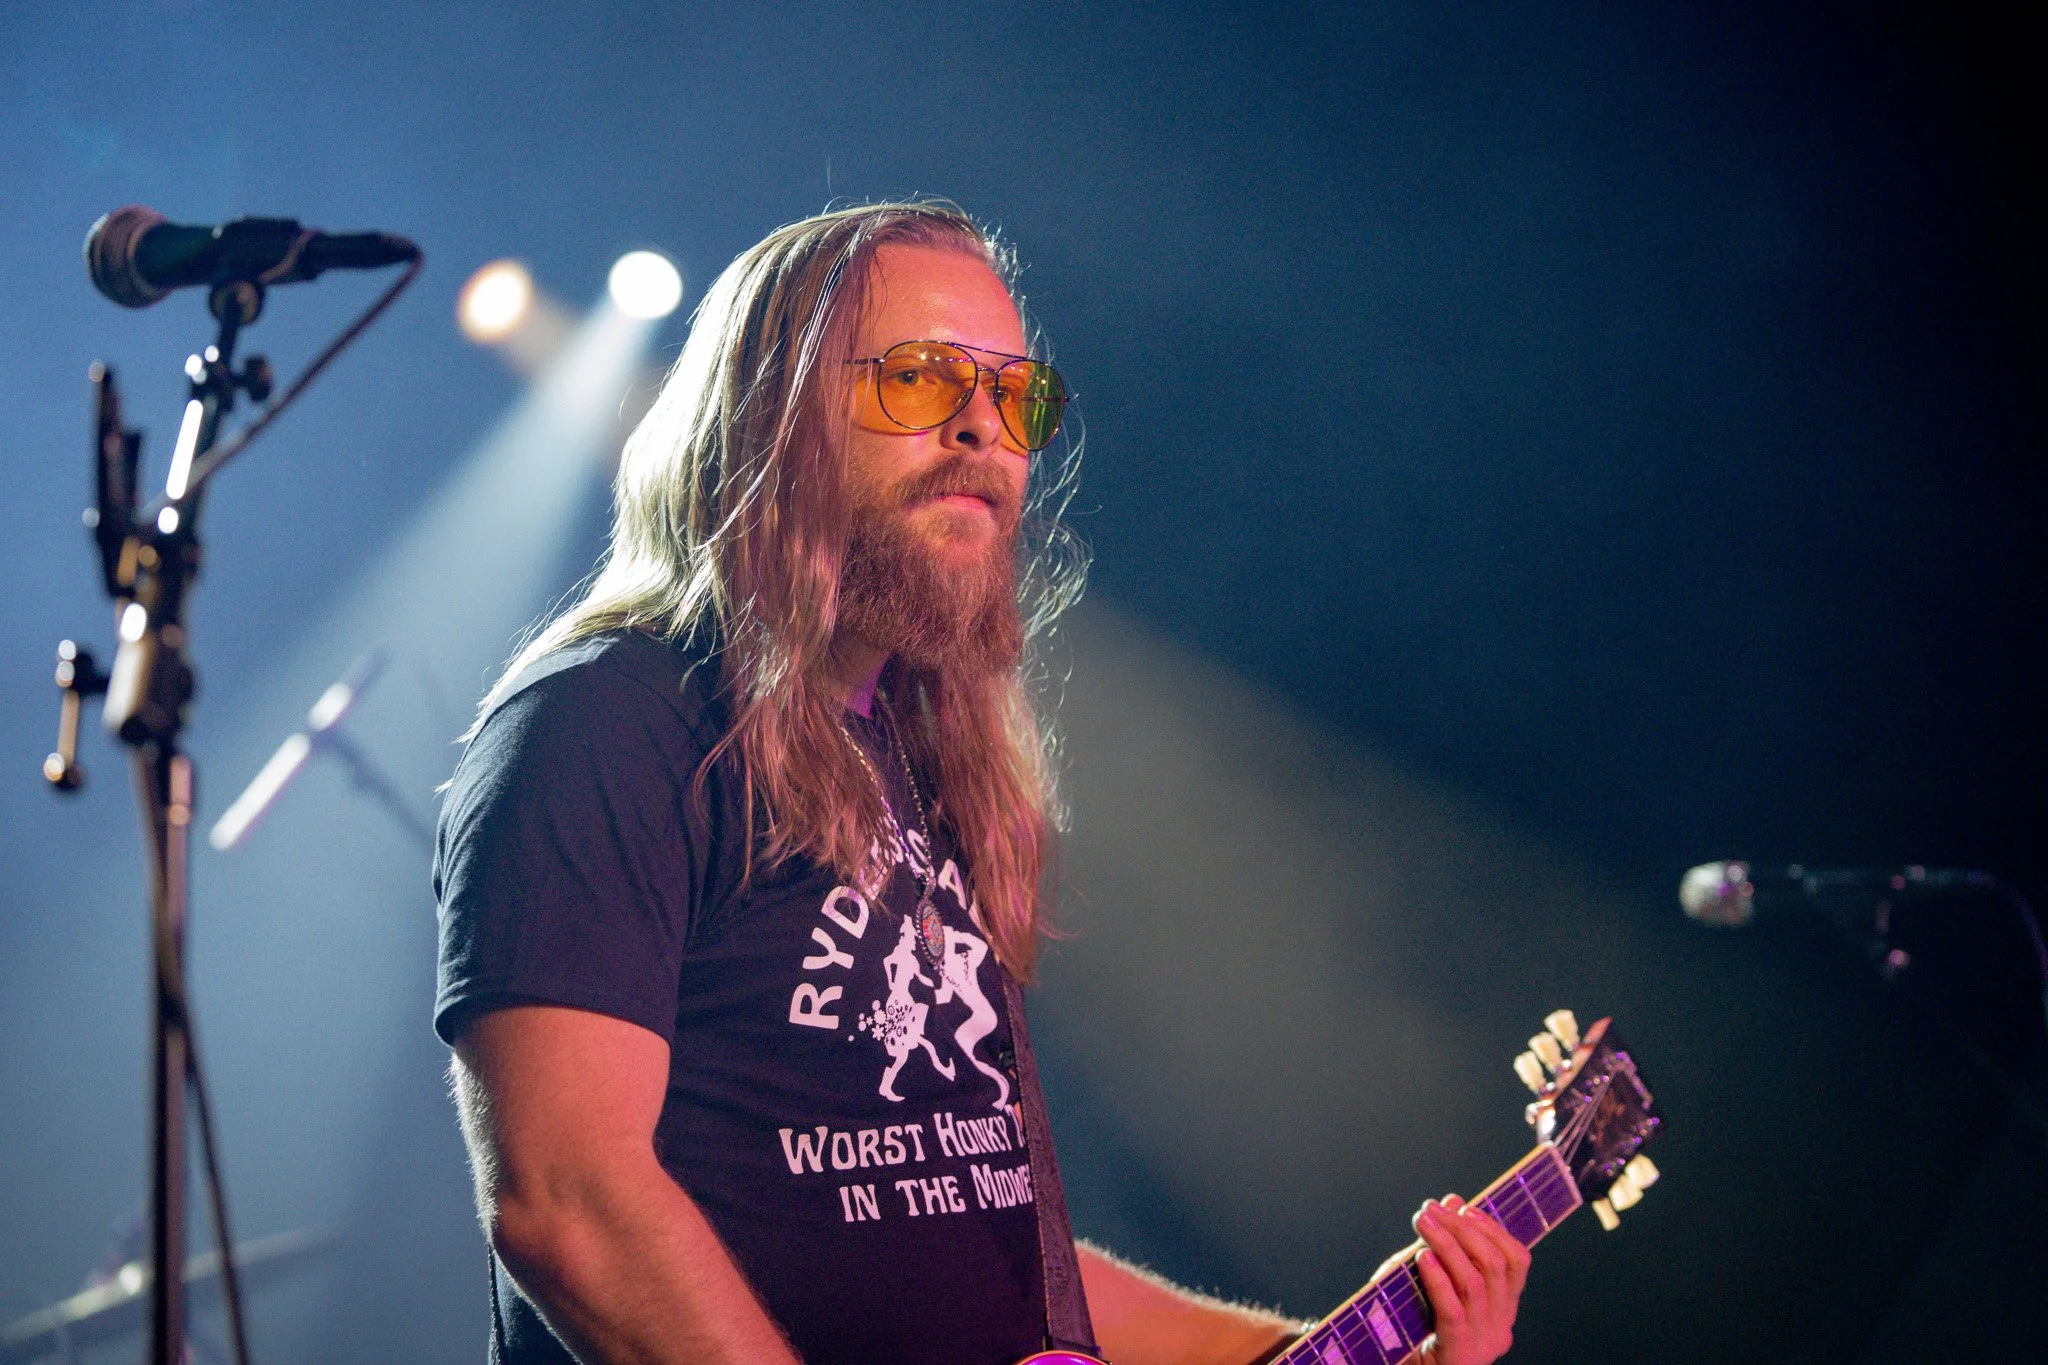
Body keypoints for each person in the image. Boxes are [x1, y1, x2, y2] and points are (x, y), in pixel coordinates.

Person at [434, 201, 1530, 1365]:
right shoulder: (605, 719)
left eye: (1014, 395)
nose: (980, 426)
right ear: (767, 416)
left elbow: (971, 1232)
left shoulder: (916, 758)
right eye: (918, 377)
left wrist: (1307, 1346)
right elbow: (568, 1203)